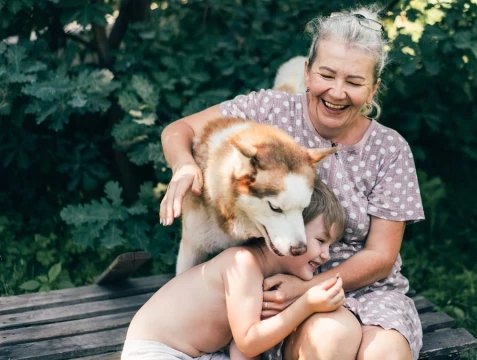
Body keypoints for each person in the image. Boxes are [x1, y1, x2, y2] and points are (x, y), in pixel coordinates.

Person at [159, 5, 425, 360]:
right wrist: (184, 166)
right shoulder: (269, 111)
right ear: (307, 71)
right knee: (330, 340)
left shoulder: (390, 149)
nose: (337, 92)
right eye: (327, 75)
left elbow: (380, 256)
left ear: (374, 88)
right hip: (278, 288)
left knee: (388, 354)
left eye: (354, 82)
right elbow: (179, 130)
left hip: (367, 288)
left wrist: (308, 287)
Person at [124, 180, 348, 360]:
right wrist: (305, 305)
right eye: (321, 240)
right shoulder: (243, 263)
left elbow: (242, 349)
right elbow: (248, 342)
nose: (326, 254)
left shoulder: (266, 278)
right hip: (154, 351)